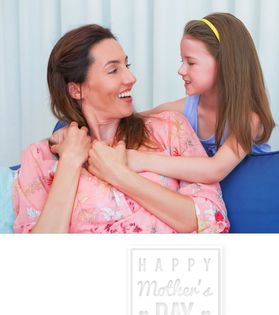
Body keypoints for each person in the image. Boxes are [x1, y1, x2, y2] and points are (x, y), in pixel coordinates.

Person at [12, 24, 229, 233]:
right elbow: (37, 257)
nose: (131, 78)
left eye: (127, 66)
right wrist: (70, 161)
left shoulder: (170, 129)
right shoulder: (40, 158)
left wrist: (118, 174)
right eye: (114, 70)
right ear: (76, 90)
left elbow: (210, 218)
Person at [126, 12, 276, 183]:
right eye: (182, 61)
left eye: (191, 62)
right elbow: (131, 121)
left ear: (224, 64)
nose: (181, 70)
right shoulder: (184, 110)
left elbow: (215, 169)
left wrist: (142, 160)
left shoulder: (250, 119)